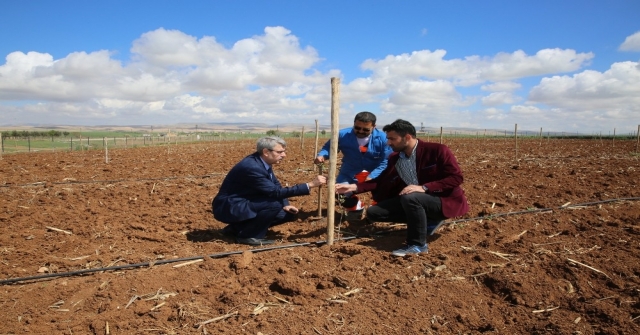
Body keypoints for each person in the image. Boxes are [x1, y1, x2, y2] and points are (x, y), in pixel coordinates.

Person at [335, 119, 469, 257]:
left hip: (442, 201)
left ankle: (417, 245)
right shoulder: (395, 158)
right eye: (388, 138)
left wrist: (424, 187)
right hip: (416, 199)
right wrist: (354, 187)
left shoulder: (437, 150)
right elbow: (381, 181)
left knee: (411, 198)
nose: (388, 142)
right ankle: (429, 221)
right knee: (374, 212)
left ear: (407, 137)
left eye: (392, 139)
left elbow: (456, 178)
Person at [212, 136, 326, 245]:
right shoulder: (252, 167)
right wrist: (310, 185)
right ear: (266, 152)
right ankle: (249, 236)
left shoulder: (262, 162)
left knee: (286, 214)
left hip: (244, 202)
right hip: (229, 206)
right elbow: (275, 192)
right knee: (274, 204)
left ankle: (236, 229)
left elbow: (276, 185)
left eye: (284, 151)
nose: (284, 155)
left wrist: (285, 204)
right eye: (280, 152)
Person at [314, 111, 392, 210]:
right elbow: (329, 147)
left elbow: (386, 160)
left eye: (366, 129)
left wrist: (372, 176)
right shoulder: (342, 135)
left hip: (376, 173)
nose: (361, 131)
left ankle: (376, 209)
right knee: (339, 192)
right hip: (349, 171)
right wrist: (322, 156)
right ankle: (356, 206)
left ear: (374, 126)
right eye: (357, 128)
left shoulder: (383, 138)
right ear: (354, 123)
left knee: (385, 193)